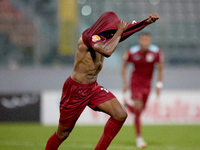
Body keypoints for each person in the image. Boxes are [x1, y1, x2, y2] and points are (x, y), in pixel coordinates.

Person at [45, 11, 159, 150]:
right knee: (63, 134)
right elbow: (107, 51)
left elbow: (127, 29)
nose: (114, 33)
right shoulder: (89, 36)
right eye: (113, 30)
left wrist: (147, 21)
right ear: (106, 27)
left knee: (120, 114)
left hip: (92, 88)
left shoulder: (107, 35)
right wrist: (119, 33)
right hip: (75, 90)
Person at [121, 32, 164, 148]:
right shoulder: (132, 52)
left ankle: (127, 105)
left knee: (139, 111)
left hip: (147, 85)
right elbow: (124, 67)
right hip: (135, 84)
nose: (145, 42)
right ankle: (139, 139)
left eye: (147, 40)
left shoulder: (156, 52)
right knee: (138, 109)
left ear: (150, 42)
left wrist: (159, 85)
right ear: (139, 41)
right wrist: (125, 83)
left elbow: (160, 68)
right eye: (143, 40)